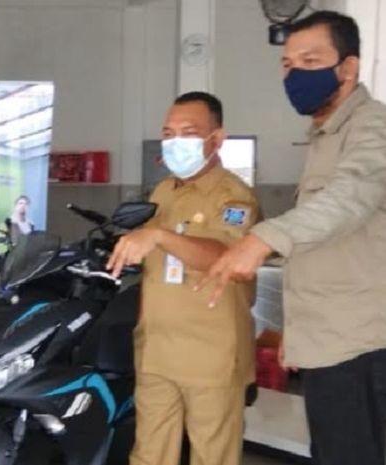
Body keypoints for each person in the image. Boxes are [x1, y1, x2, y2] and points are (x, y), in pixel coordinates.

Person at [197, 11, 386, 465]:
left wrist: (262, 239)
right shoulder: (324, 136)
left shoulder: (372, 127)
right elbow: (330, 252)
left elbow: (348, 199)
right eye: (287, 63)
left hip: (362, 349)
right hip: (329, 341)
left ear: (348, 67)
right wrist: (297, 333)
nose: (294, 73)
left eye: (310, 60)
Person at [107, 92, 260, 465]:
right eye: (168, 134)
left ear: (216, 139)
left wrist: (159, 236)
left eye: (188, 133)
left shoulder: (234, 197)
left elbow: (227, 258)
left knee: (212, 456)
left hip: (210, 355)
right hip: (157, 348)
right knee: (149, 455)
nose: (176, 143)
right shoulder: (164, 191)